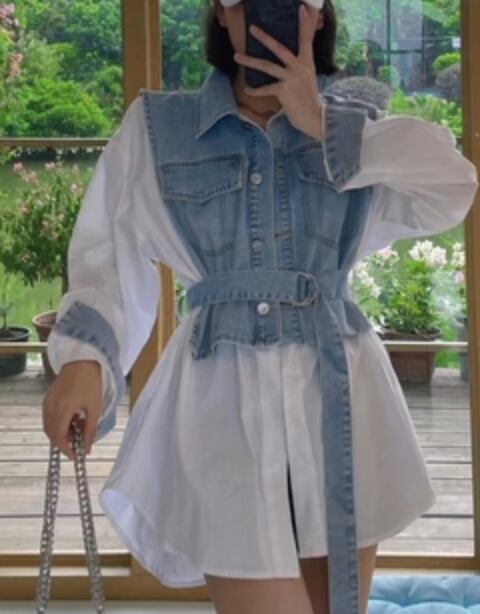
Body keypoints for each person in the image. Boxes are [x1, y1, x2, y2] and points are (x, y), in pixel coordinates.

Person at [42, 0, 479, 613]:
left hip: (341, 404)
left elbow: (452, 185)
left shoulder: (354, 124)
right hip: (223, 409)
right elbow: (109, 252)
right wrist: (85, 360)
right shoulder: (160, 128)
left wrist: (320, 121)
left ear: (317, 16)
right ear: (222, 14)